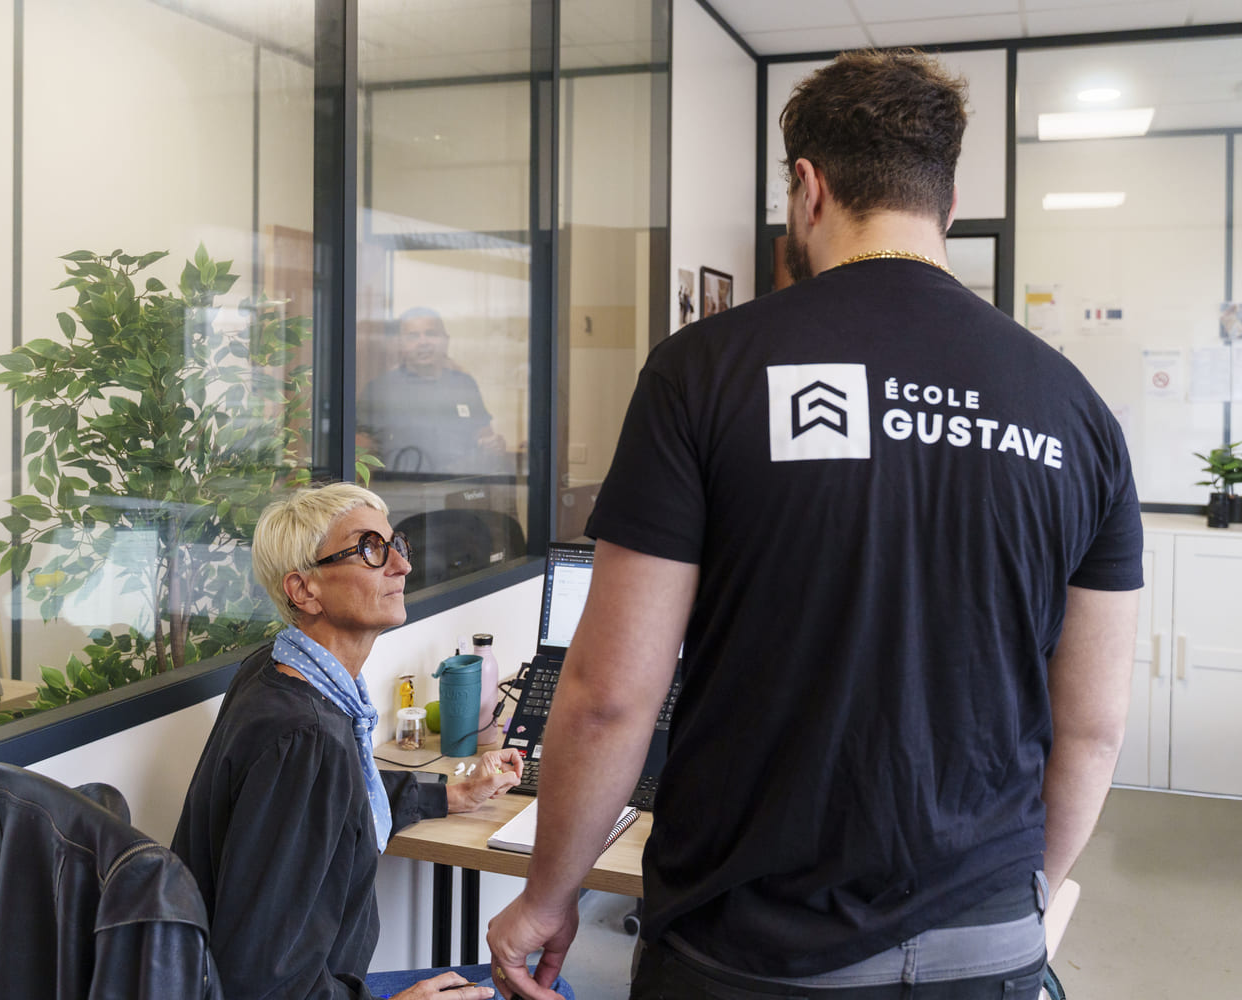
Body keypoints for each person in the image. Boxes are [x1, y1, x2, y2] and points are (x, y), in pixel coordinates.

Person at [486, 49, 1142, 1000]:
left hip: (749, 949)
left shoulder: (703, 371)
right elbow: (1092, 727)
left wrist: (550, 894)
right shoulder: (1075, 410)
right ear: (949, 202)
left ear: (808, 187)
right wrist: (1017, 905)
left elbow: (610, 696)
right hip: (985, 947)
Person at [172, 481, 521, 1000]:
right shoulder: (305, 737)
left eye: (395, 545)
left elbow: (338, 800)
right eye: (370, 550)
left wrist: (451, 794)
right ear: (303, 590)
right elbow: (259, 983)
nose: (402, 566)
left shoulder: (281, 674)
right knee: (541, 985)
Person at [358, 308, 506, 475]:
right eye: (413, 336)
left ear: (446, 341)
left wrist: (494, 446)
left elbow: (485, 438)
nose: (423, 342)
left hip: (457, 485)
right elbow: (359, 453)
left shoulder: (464, 384)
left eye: (431, 334)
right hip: (398, 486)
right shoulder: (379, 388)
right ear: (400, 344)